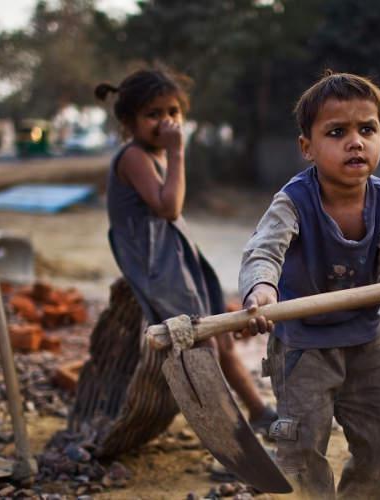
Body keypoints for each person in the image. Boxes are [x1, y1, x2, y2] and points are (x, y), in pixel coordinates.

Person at [239, 71, 380, 499]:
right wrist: (262, 289)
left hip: (364, 344)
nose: (356, 142)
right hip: (302, 346)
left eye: (367, 129)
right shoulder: (294, 201)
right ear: (307, 148)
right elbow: (264, 250)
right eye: (337, 132)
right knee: (301, 446)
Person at [96, 68, 277, 437]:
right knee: (200, 343)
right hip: (156, 267)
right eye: (154, 114)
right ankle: (226, 427)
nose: (166, 122)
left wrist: (173, 155)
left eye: (173, 113)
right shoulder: (134, 156)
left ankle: (257, 410)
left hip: (176, 260)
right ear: (129, 123)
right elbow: (169, 208)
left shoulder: (154, 154)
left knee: (220, 336)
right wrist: (178, 153)